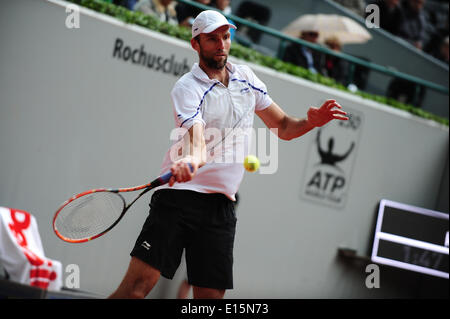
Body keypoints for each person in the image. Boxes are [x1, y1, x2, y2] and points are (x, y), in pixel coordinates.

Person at [108, 10, 348, 299]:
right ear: (196, 44)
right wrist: (191, 161)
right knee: (134, 292)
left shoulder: (247, 78)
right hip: (177, 199)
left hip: (220, 209)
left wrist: (312, 122)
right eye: (212, 39)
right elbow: (197, 140)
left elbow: (283, 127)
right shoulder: (187, 87)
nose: (221, 44)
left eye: (225, 37)